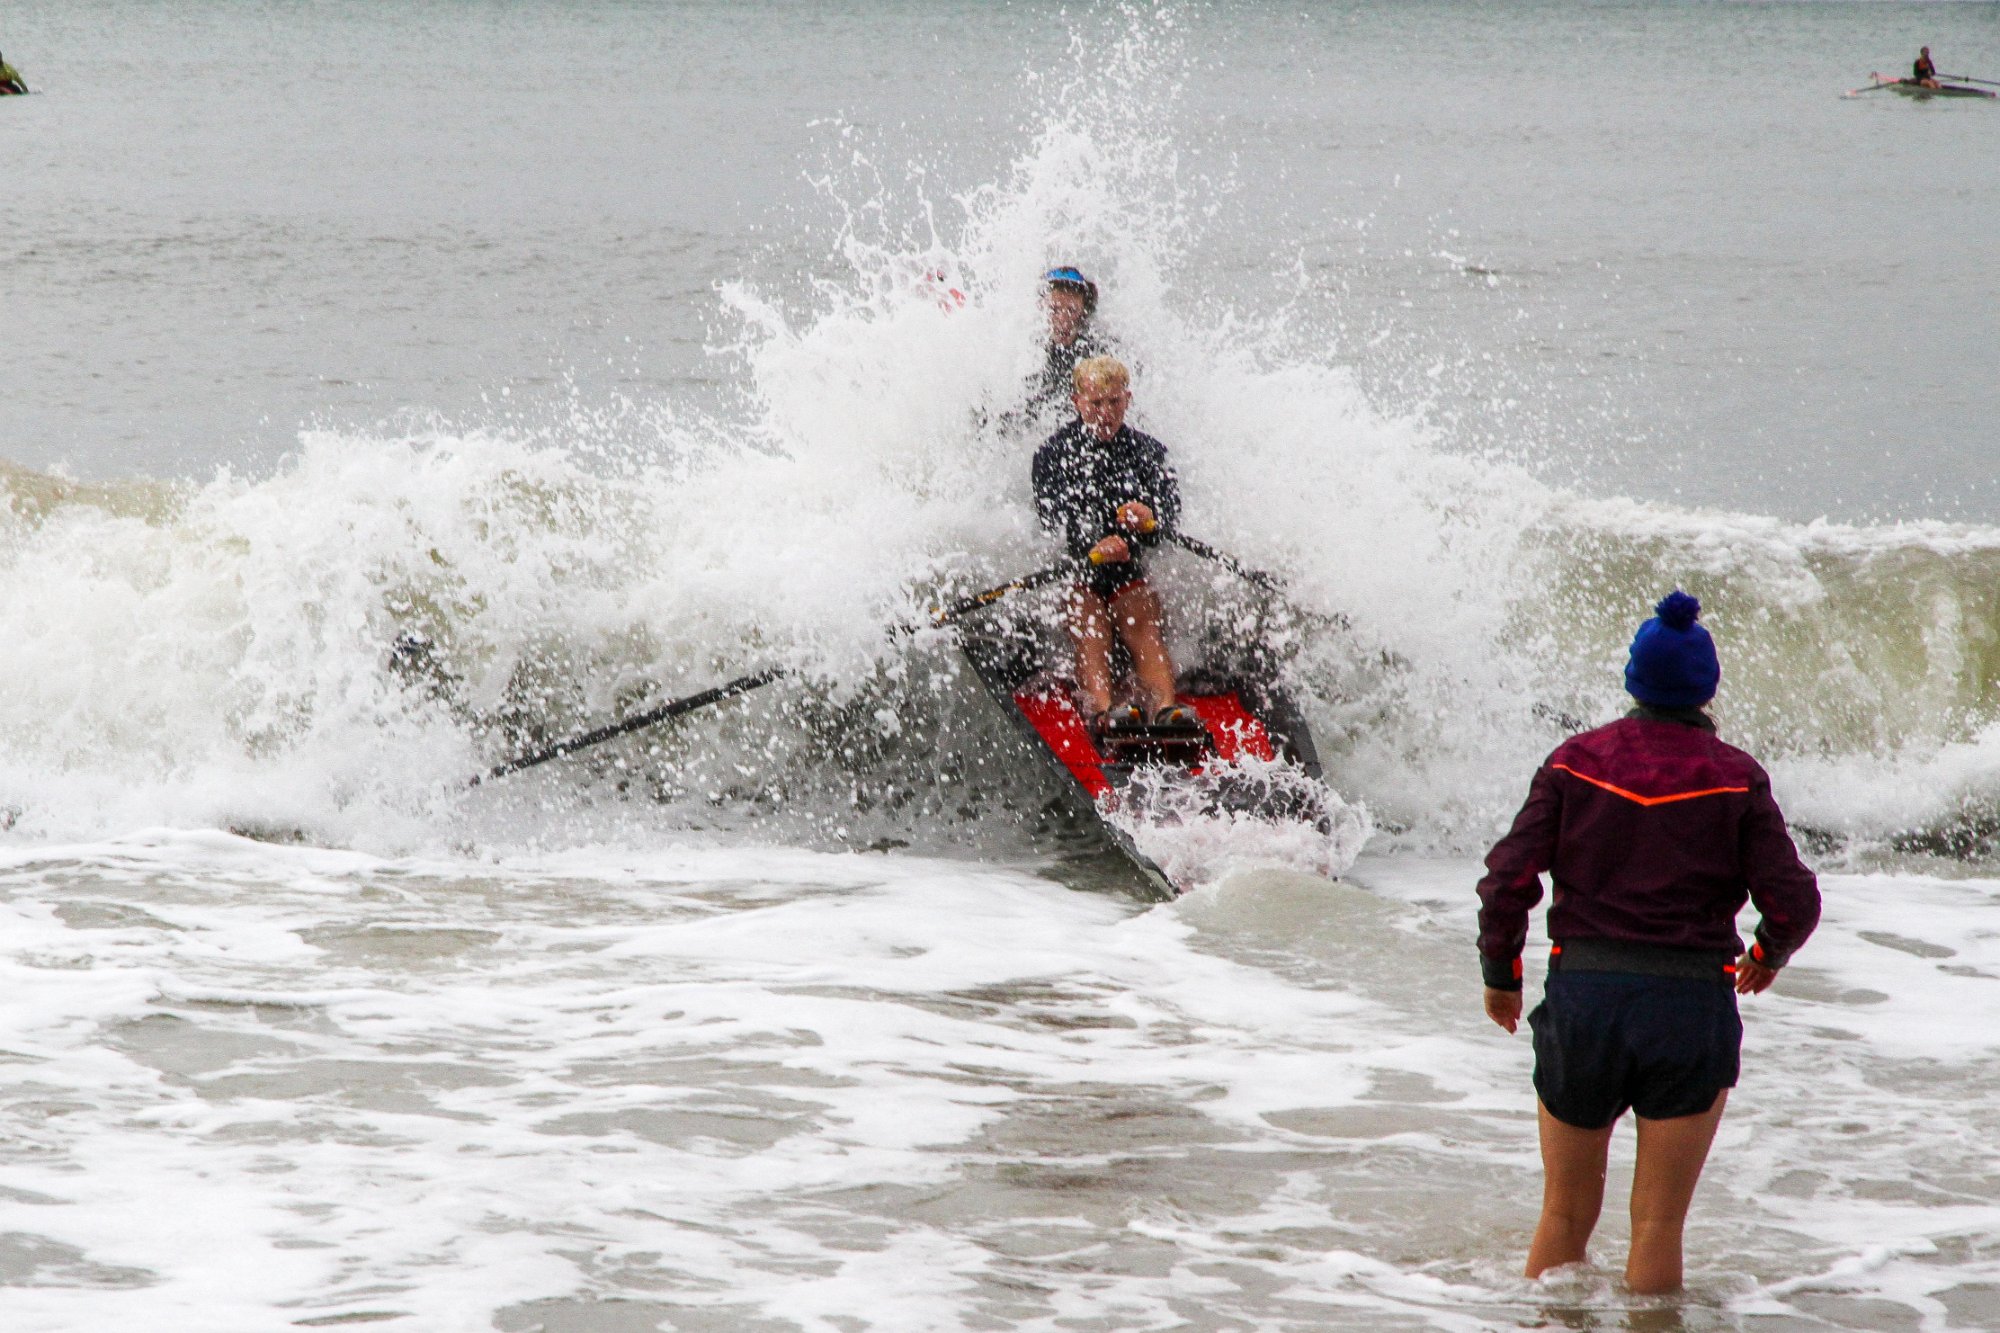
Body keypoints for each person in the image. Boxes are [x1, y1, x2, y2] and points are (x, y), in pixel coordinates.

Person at [1476, 591, 1821, 1294]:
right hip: (1690, 1008)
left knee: (1564, 1215)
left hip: (1586, 1004)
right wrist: (1766, 953)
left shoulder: (1574, 761)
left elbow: (1507, 875)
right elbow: (1794, 900)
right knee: (1658, 1227)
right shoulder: (1737, 775)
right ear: (1707, 687)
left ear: (1635, 679)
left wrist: (1502, 971)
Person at [1031, 355, 1190, 731]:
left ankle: (1167, 710)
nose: (1105, 413)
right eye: (1096, 404)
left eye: (1114, 402)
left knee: (1141, 619)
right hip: (1081, 569)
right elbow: (1052, 517)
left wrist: (1149, 519)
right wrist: (1094, 544)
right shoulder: (1052, 453)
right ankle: (1104, 713)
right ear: (1077, 402)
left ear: (1127, 399)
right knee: (1090, 623)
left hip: (1128, 571)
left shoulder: (1149, 452)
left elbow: (1169, 514)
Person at [1023, 266, 1112, 422]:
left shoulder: (1100, 351)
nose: (1063, 320)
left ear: (1084, 312)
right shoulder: (1026, 349)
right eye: (1054, 309)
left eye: (1071, 310)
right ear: (1041, 308)